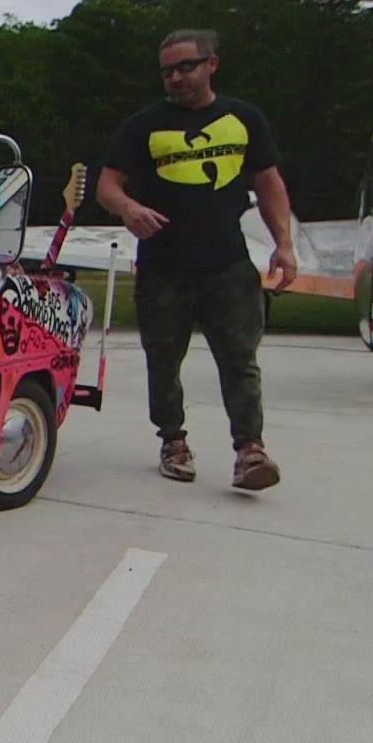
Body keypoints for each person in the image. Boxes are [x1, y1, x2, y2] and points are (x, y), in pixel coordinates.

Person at [96, 29, 296, 491]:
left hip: (228, 264)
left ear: (212, 64)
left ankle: (250, 450)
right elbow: (108, 183)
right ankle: (173, 440)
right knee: (164, 360)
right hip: (165, 267)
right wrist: (128, 208)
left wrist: (283, 244)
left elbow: (269, 183)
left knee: (240, 360)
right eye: (167, 71)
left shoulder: (243, 118)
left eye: (185, 67)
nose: (176, 78)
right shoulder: (144, 125)